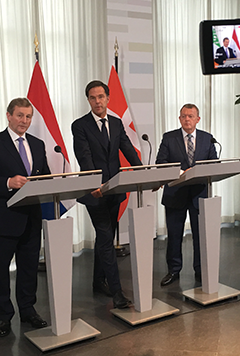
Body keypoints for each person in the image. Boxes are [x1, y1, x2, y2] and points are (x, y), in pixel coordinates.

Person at [0, 98, 51, 337]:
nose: (24, 121)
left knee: (28, 270)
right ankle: (3, 317)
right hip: (2, 220)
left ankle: (28, 310)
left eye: (28, 117)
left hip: (30, 218)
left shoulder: (37, 144)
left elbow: (44, 176)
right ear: (8, 115)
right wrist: (7, 182)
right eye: (19, 116)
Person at [72, 80, 142, 309]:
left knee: (106, 238)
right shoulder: (80, 125)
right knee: (104, 237)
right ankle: (117, 292)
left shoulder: (116, 122)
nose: (97, 101)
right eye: (93, 98)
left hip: (115, 191)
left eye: (101, 96)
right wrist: (96, 184)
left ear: (108, 98)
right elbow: (84, 157)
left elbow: (127, 148)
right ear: (88, 101)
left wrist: (142, 170)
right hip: (96, 193)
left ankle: (97, 281)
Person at [155, 104, 218, 286]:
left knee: (200, 234)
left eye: (190, 116)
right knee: (174, 235)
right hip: (175, 193)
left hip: (199, 194)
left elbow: (214, 164)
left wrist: (196, 172)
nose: (187, 119)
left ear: (198, 119)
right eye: (183, 116)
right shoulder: (169, 138)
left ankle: (200, 270)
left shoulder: (208, 139)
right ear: (179, 118)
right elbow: (161, 162)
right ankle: (173, 270)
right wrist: (183, 172)